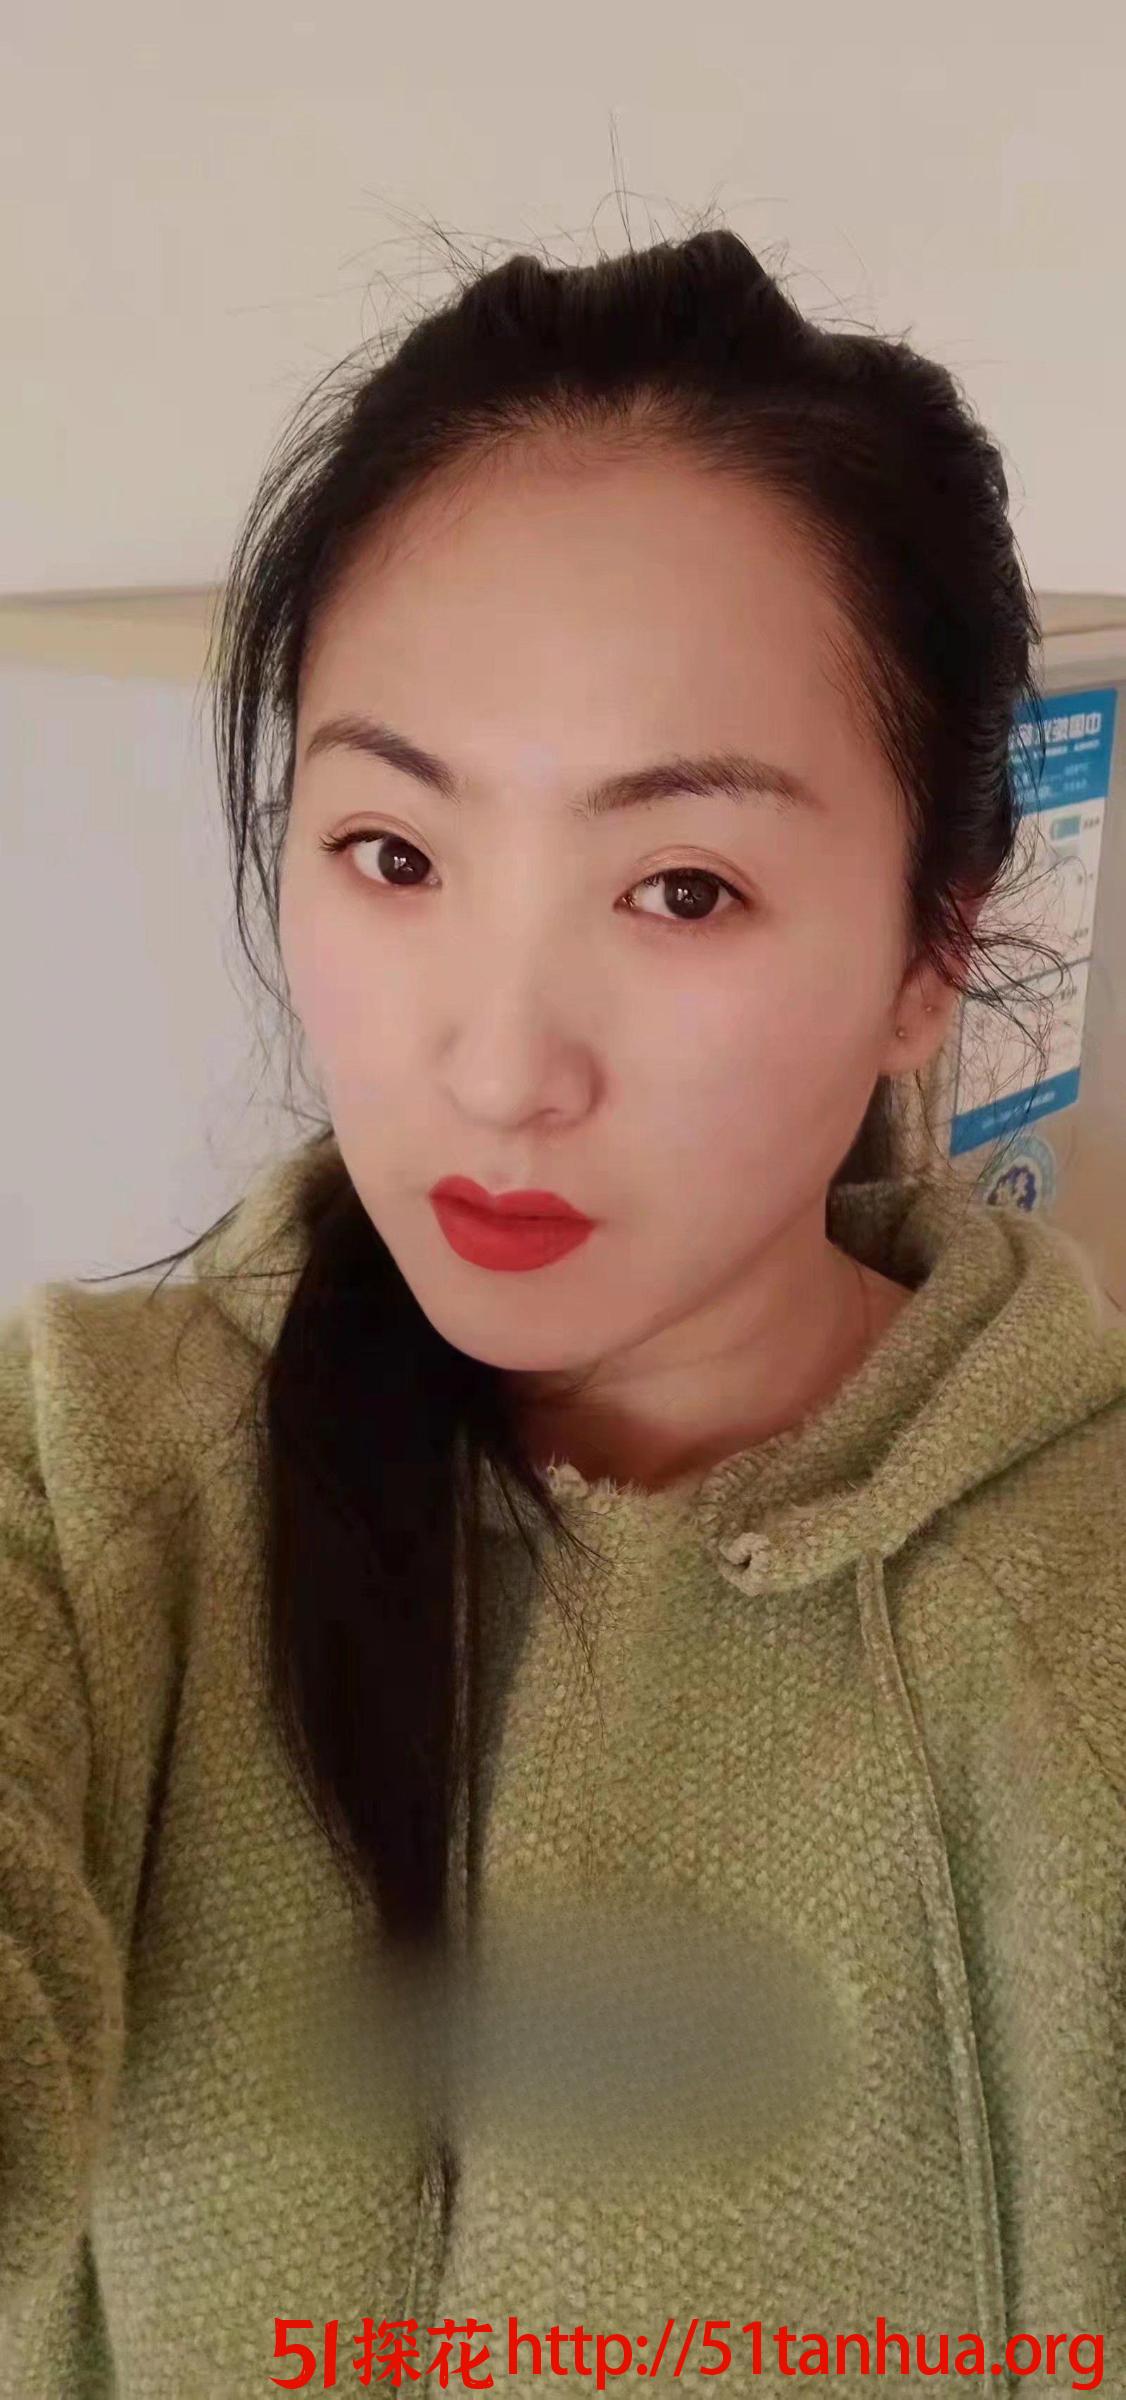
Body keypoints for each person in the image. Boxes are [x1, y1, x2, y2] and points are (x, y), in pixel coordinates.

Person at [0, 218, 1121, 2399]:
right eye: (394, 857)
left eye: (679, 887)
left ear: (930, 950)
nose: (500, 1069)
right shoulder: (85, 1493)